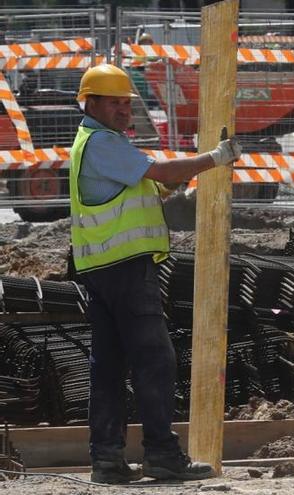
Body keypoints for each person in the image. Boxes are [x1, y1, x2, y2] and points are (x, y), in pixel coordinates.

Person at [70, 64, 241, 484]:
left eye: (127, 103)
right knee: (155, 360)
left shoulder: (98, 144)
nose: (124, 110)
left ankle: (107, 460)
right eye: (114, 103)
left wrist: (171, 185)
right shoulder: (102, 143)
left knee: (109, 367)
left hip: (102, 272)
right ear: (89, 103)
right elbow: (160, 171)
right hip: (126, 270)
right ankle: (162, 456)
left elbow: (146, 187)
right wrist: (216, 159)